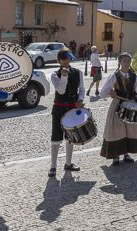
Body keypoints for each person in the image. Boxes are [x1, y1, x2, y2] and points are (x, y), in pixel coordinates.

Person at [99, 53, 137, 165]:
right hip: (117, 105)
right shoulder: (114, 76)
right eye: (124, 60)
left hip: (131, 104)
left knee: (130, 130)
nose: (127, 62)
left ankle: (126, 154)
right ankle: (115, 156)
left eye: (128, 60)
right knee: (117, 131)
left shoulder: (134, 76)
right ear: (120, 62)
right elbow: (102, 92)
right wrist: (110, 92)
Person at [48, 49, 85, 177]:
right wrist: (63, 76)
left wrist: (80, 99)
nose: (65, 61)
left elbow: (82, 89)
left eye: (67, 58)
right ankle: (53, 166)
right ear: (59, 61)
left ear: (70, 59)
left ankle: (68, 163)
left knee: (70, 137)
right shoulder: (54, 74)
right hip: (59, 108)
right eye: (62, 59)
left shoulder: (78, 73)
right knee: (56, 137)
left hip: (72, 109)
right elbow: (61, 91)